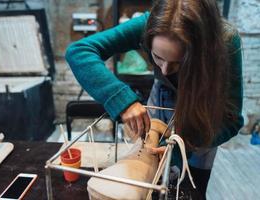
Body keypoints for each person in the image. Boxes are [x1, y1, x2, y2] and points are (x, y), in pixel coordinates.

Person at [65, 0, 243, 199]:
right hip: (162, 101)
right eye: (158, 58)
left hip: (204, 119)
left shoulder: (225, 42)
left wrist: (186, 144)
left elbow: (231, 119)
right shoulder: (150, 23)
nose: (165, 71)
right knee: (149, 177)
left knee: (192, 188)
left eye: (178, 63)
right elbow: (79, 52)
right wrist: (122, 100)